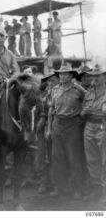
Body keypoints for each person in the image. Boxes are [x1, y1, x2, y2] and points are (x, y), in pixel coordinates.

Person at [46, 64, 86, 199]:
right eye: (61, 74)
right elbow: (51, 110)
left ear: (71, 76)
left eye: (66, 74)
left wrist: (81, 116)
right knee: (57, 158)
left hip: (72, 126)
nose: (63, 76)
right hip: (57, 125)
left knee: (74, 158)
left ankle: (77, 189)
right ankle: (59, 188)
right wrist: (49, 129)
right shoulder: (54, 90)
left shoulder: (78, 90)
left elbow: (88, 103)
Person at [81, 65, 106, 202]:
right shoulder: (88, 93)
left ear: (105, 77)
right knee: (91, 159)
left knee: (104, 159)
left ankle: (104, 191)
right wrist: (83, 113)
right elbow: (82, 111)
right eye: (93, 76)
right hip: (89, 126)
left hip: (103, 126)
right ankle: (96, 188)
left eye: (99, 76)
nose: (95, 79)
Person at [36, 72, 59, 194]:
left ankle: (56, 184)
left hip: (57, 128)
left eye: (53, 81)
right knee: (42, 154)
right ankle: (43, 181)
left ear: (59, 81)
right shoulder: (43, 95)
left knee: (55, 156)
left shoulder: (59, 94)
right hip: (43, 129)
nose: (50, 84)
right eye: (48, 81)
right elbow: (40, 112)